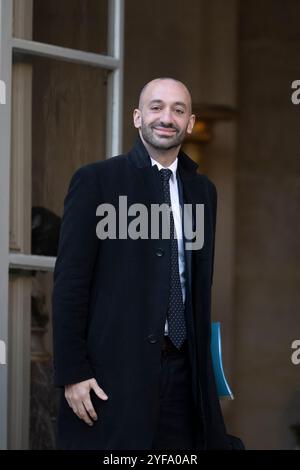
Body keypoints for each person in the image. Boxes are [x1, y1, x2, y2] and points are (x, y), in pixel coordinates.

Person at [52, 77, 233, 450]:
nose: (166, 117)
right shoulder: (96, 181)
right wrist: (73, 372)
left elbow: (197, 287)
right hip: (111, 375)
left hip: (184, 374)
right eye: (156, 107)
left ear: (190, 122)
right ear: (137, 117)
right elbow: (70, 283)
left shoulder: (203, 192)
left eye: (178, 110)